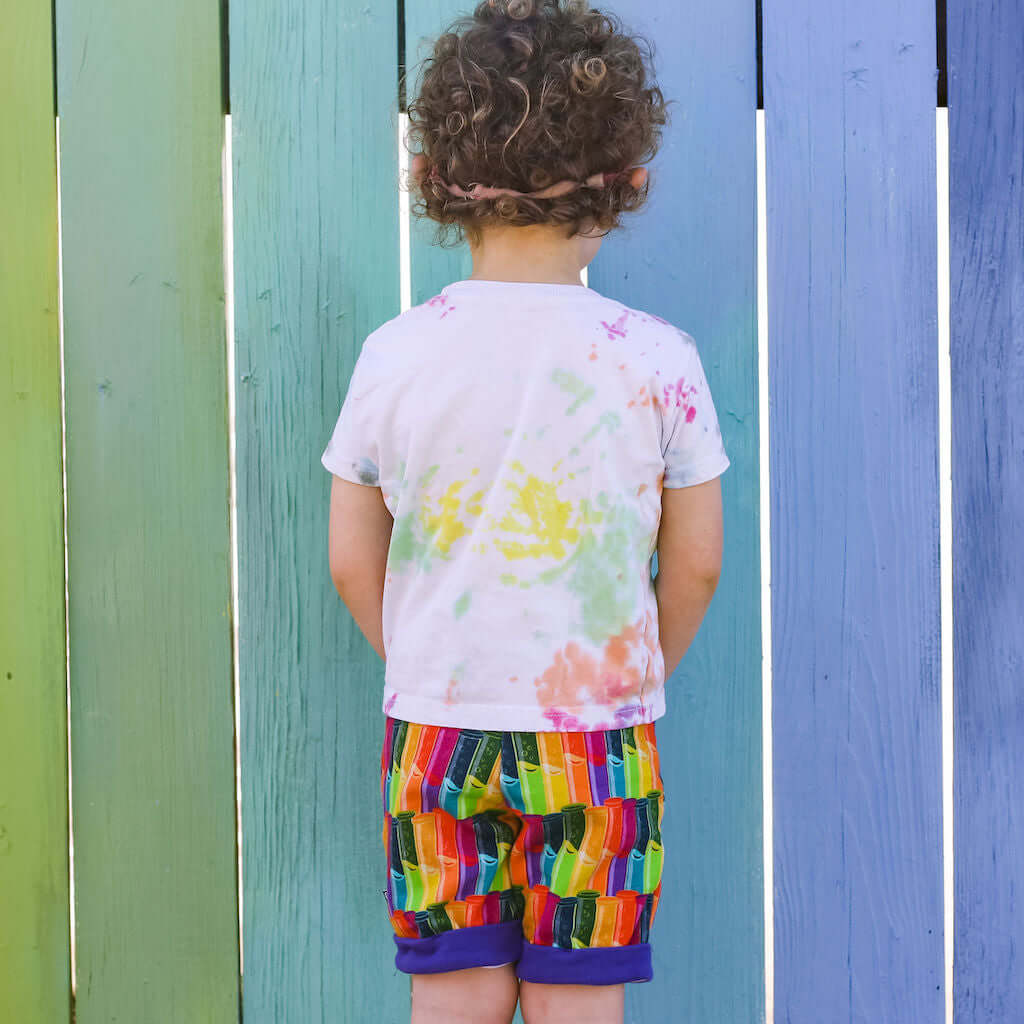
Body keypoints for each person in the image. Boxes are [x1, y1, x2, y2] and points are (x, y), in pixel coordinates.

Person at [321, 2, 730, 1021]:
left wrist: (423, 663)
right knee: (579, 997)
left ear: (437, 184)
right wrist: (629, 676)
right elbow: (697, 565)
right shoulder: (656, 360)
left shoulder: (396, 355)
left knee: (452, 990)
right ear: (625, 180)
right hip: (594, 735)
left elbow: (347, 556)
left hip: (436, 732)